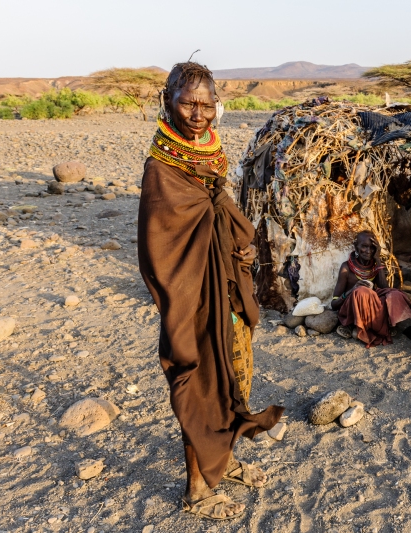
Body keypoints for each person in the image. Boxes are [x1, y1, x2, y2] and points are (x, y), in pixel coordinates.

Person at [137, 61, 283, 521]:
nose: (197, 113)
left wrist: (235, 254)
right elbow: (161, 249)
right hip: (194, 298)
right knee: (200, 385)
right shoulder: (162, 172)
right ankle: (196, 489)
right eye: (187, 102)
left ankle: (227, 459)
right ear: (167, 101)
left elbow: (219, 214)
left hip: (227, 291)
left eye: (205, 104)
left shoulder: (208, 157)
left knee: (234, 377)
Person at [330, 231, 411, 347]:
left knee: (395, 294)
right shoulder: (346, 268)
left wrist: (378, 260)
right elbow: (334, 304)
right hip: (353, 308)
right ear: (356, 246)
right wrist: (352, 290)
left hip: (370, 307)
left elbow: (385, 289)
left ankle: (380, 325)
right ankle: (359, 325)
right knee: (361, 292)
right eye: (364, 246)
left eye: (372, 247)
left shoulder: (375, 265)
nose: (369, 251)